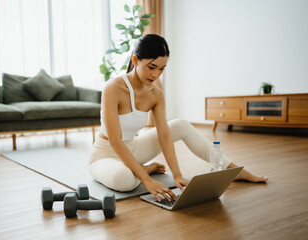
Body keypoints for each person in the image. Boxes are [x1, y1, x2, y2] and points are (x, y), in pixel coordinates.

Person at [89, 34, 268, 202]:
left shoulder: (155, 94)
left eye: (161, 69)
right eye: (151, 67)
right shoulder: (113, 88)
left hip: (134, 149)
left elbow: (164, 135)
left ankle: (233, 170)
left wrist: (177, 175)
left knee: (181, 124)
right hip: (105, 155)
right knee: (125, 180)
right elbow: (114, 140)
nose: (156, 75)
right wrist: (146, 179)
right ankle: (143, 169)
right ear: (135, 60)